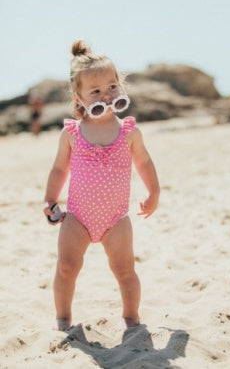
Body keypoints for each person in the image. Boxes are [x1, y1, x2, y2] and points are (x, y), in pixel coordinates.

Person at [43, 40, 160, 331]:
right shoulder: (72, 133)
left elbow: (144, 162)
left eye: (112, 87)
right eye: (95, 91)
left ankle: (132, 317)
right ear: (78, 97)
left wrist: (154, 192)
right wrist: (50, 199)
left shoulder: (128, 131)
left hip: (116, 218)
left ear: (121, 86)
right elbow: (59, 168)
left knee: (125, 270)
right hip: (78, 217)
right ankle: (63, 318)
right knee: (67, 268)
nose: (106, 95)